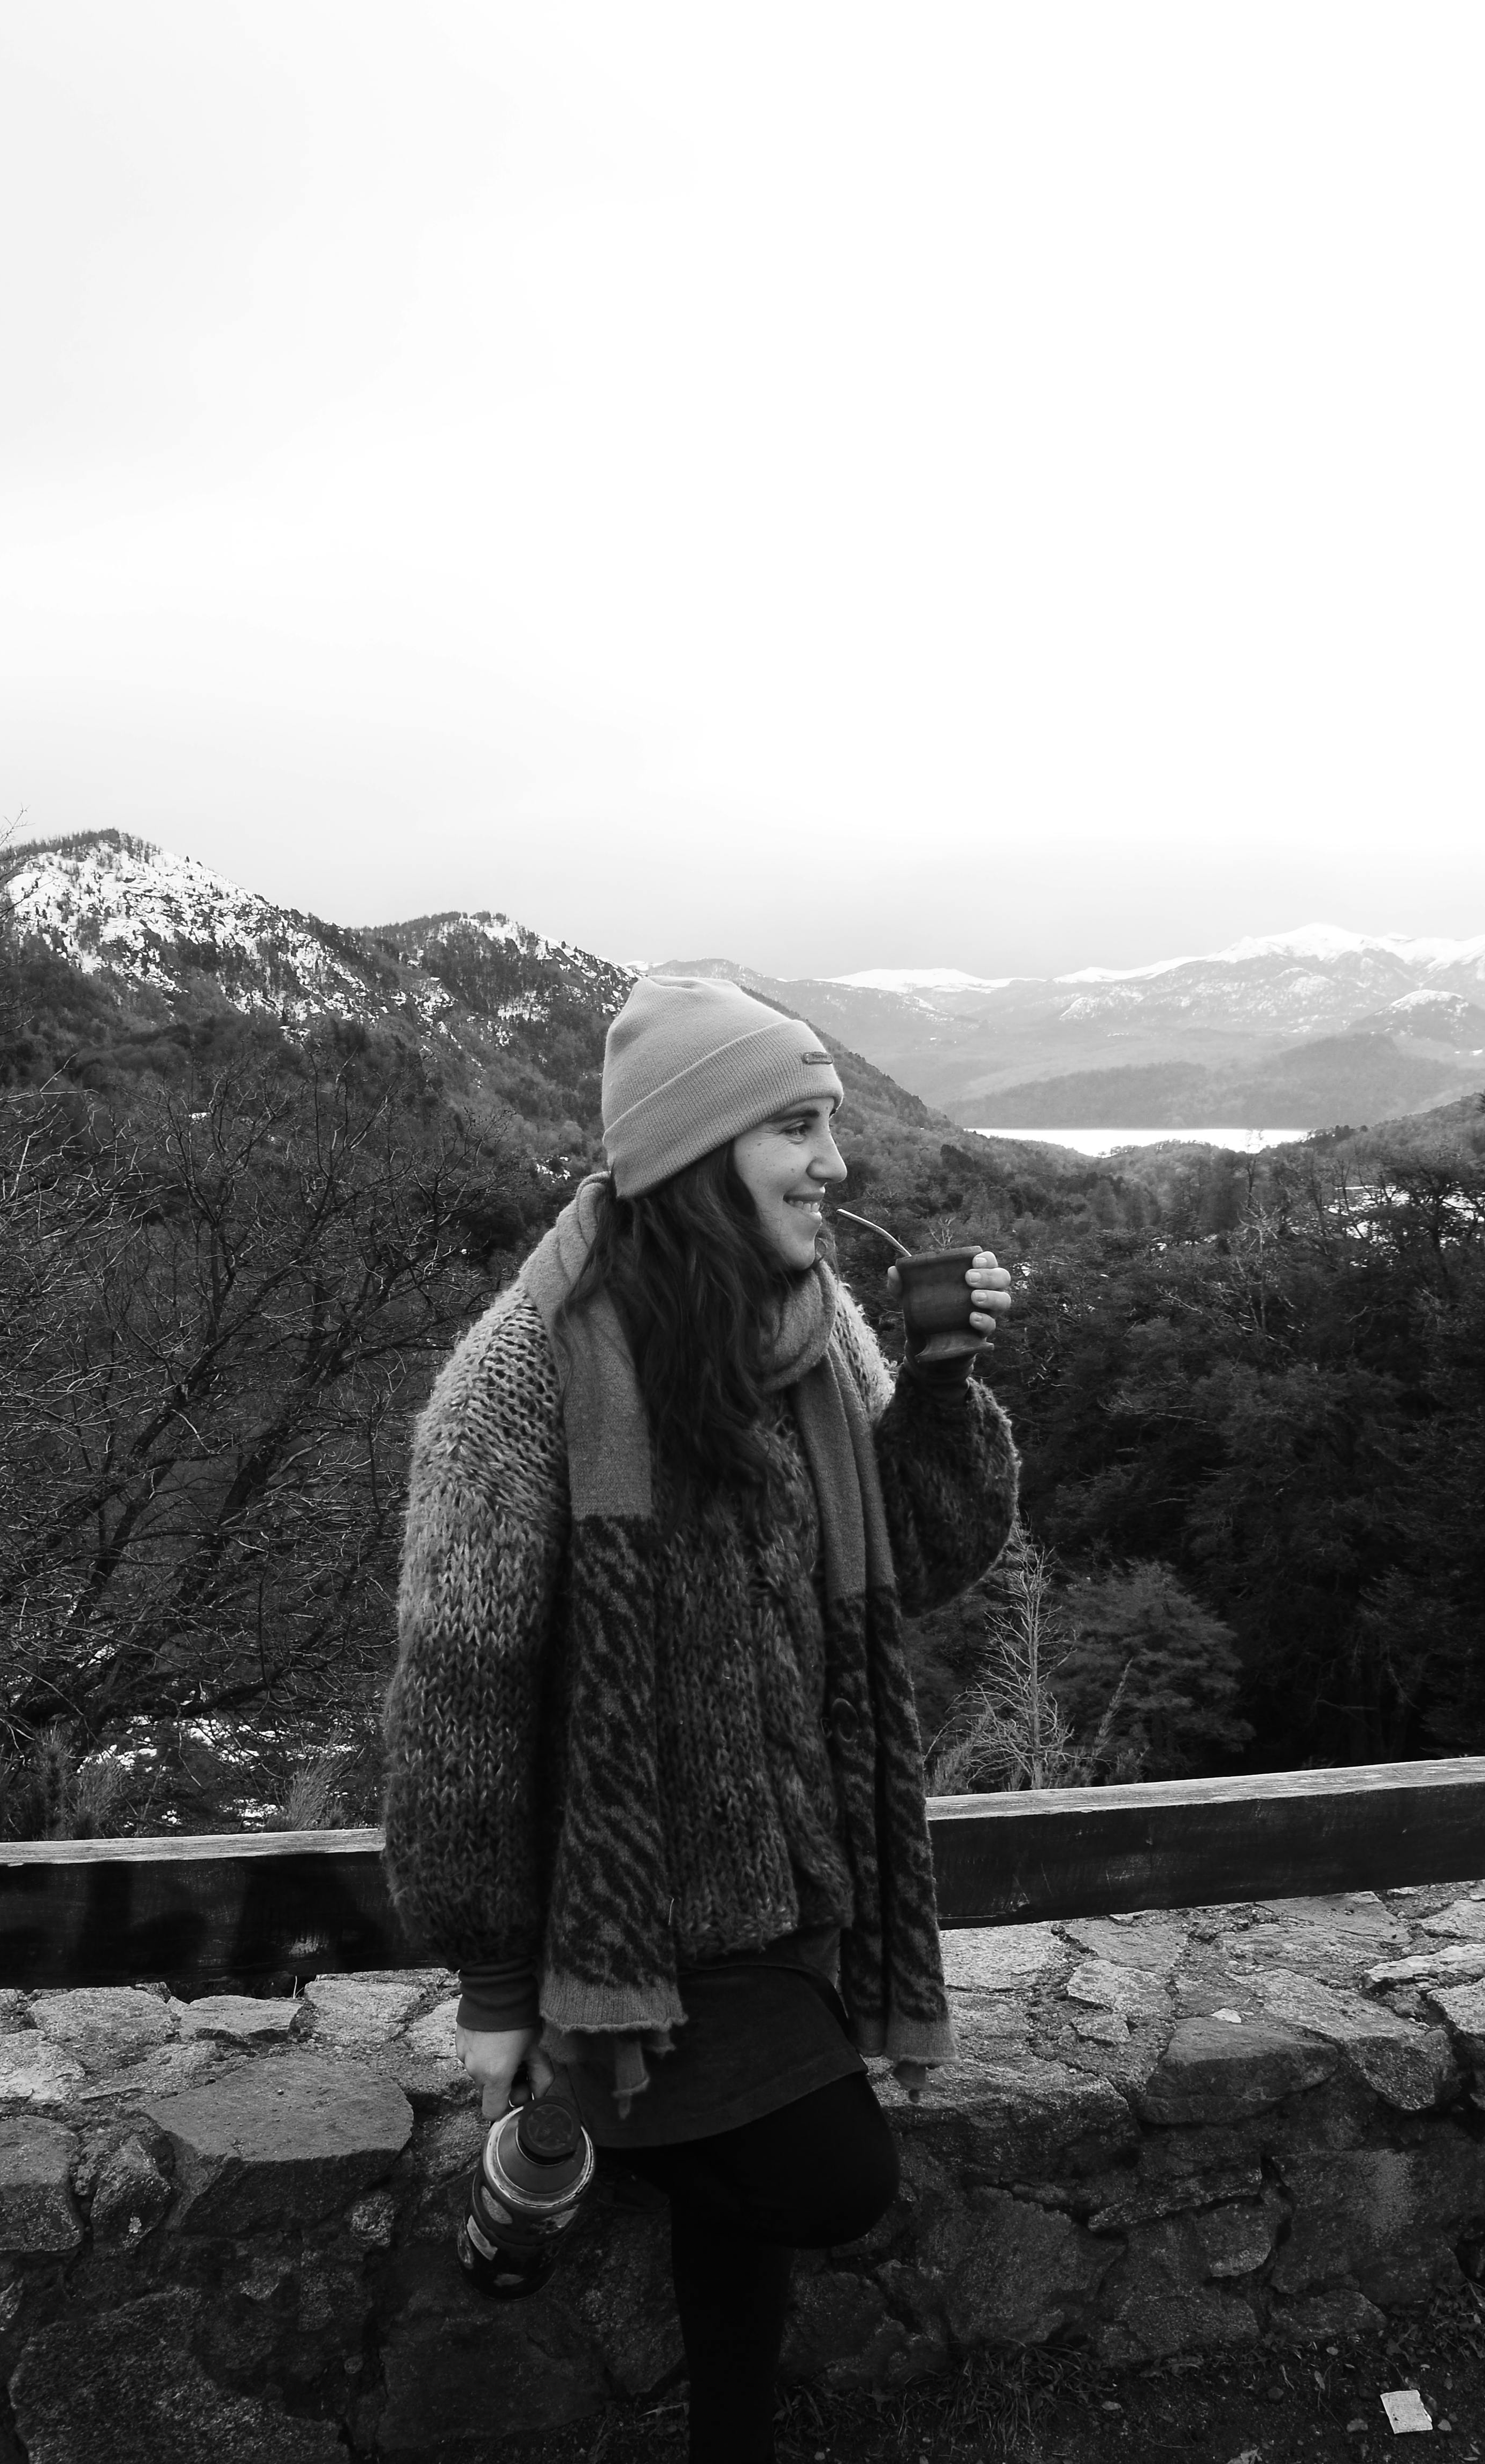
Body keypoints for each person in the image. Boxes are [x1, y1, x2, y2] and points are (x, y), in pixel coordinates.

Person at [383, 974, 1019, 2463]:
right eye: (796, 1126)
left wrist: (940, 1391)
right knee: (829, 2183)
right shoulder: (521, 1378)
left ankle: (728, 2432)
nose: (837, 1165)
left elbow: (921, 1562)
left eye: (832, 1127)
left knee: (745, 2232)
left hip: (796, 1891)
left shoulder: (818, 1333)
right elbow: (458, 1704)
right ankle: (555, 2133)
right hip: (623, 1928)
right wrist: (493, 1979)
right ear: (694, 1151)